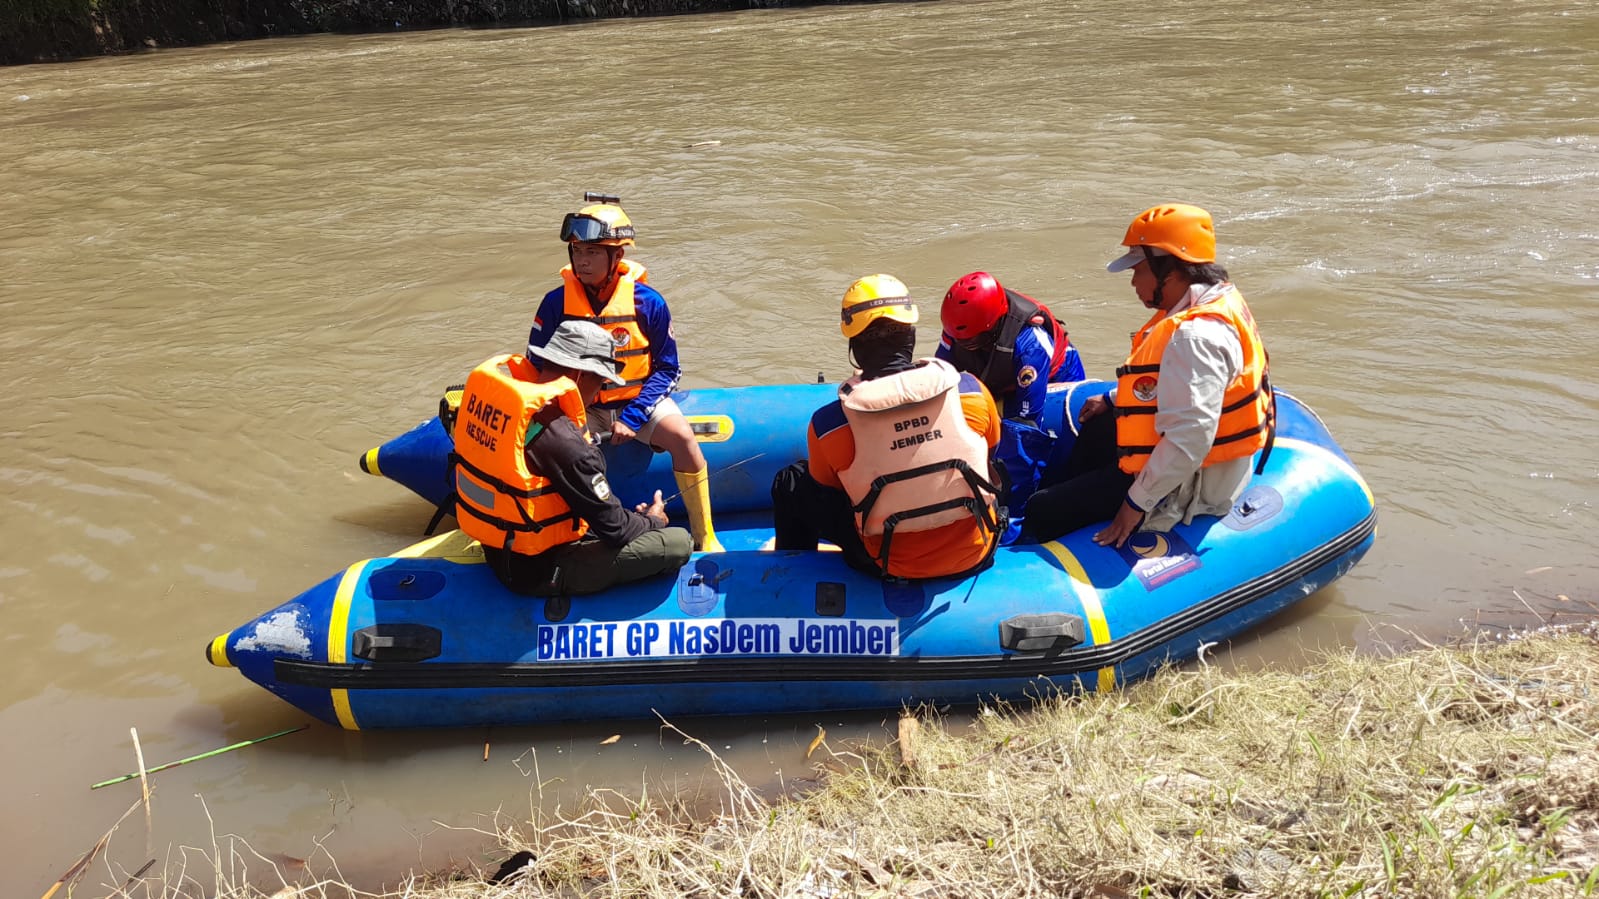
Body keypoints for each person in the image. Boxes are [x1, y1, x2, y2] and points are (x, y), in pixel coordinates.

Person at [1020, 204, 1273, 548]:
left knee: (1042, 509)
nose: (1133, 281)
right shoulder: (1215, 301)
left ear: (1169, 268)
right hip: (1197, 458)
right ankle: (1068, 493)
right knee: (1097, 426)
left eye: (1139, 270)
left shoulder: (1195, 337)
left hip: (1194, 485)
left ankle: (1038, 540)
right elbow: (1174, 389)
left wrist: (1134, 504)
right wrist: (1111, 399)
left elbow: (1190, 440)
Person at [771, 274, 1004, 580]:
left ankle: (790, 582)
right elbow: (989, 454)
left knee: (791, 482)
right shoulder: (972, 391)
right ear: (911, 335)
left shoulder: (830, 424)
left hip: (884, 563)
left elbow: (827, 492)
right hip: (978, 550)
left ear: (854, 344)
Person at [527, 193, 722, 552]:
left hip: (636, 401)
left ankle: (704, 534)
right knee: (563, 455)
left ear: (618, 256)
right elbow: (538, 366)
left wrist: (634, 416)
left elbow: (668, 368)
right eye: (577, 251)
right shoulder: (556, 303)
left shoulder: (649, 303)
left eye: (592, 252)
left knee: (683, 439)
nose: (582, 261)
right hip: (581, 405)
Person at [452, 320, 694, 596]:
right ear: (580, 375)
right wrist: (653, 520)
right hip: (538, 569)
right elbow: (616, 530)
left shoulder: (509, 408)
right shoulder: (565, 441)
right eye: (600, 382)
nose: (598, 395)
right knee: (677, 543)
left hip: (498, 548)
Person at [937, 271, 1085, 511]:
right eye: (961, 341)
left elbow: (1026, 425)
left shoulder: (1030, 342)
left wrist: (1010, 505)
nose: (964, 346)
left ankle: (1021, 512)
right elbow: (941, 382)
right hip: (998, 375)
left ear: (992, 327)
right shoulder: (957, 331)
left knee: (1025, 438)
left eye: (971, 342)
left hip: (1054, 375)